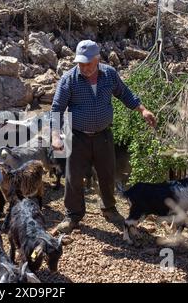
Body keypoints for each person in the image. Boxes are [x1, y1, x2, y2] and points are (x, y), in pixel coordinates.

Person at [51, 40, 157, 234]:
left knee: (107, 174)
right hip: (77, 136)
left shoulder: (109, 74)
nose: (83, 67)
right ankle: (73, 215)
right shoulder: (69, 79)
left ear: (97, 59)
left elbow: (125, 93)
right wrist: (56, 136)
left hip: (103, 136)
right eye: (80, 63)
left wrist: (142, 110)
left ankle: (109, 209)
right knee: (73, 178)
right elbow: (57, 109)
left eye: (87, 63)